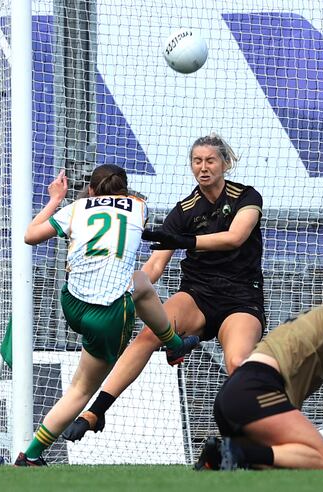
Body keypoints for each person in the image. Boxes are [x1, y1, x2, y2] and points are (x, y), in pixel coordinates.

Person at [62, 133, 267, 442]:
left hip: (241, 298)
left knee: (237, 362)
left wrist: (186, 241)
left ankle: (248, 438)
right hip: (197, 295)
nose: (203, 167)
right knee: (148, 333)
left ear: (225, 163)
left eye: (210, 160)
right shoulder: (185, 209)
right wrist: (122, 291)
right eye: (197, 161)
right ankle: (96, 411)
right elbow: (155, 265)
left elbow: (235, 237)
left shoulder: (247, 197)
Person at [14, 165, 199, 466]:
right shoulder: (139, 207)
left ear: (90, 190)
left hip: (73, 304)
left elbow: (30, 236)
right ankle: (31, 455)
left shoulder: (75, 209)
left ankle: (174, 343)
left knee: (140, 283)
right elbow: (128, 221)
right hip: (108, 313)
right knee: (81, 388)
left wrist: (55, 199)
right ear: (125, 189)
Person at [194, 266, 323, 470]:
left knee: (284, 464)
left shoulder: (313, 317)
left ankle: (222, 458)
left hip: (232, 395)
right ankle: (231, 453)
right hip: (257, 391)